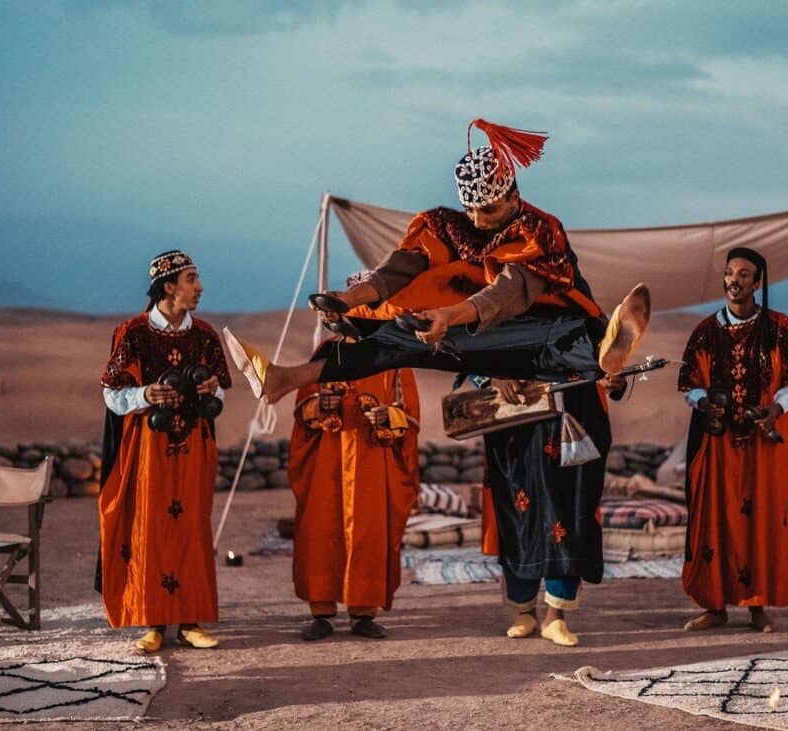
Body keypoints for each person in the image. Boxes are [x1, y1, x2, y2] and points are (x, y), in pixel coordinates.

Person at [222, 118, 650, 402]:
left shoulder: (538, 229)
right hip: (472, 335)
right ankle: (283, 379)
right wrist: (352, 298)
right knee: (392, 337)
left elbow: (510, 291)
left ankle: (604, 353)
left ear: (514, 196)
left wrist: (451, 313)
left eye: (491, 210)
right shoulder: (444, 225)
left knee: (572, 341)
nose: (479, 220)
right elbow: (402, 266)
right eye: (472, 211)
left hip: (534, 326)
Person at [97, 250, 231, 653]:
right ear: (168, 286)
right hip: (148, 449)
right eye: (192, 279)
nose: (200, 287)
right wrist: (143, 393)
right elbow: (110, 392)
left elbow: (221, 388)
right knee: (150, 528)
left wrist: (211, 389)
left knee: (191, 527)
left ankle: (190, 621)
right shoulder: (133, 333)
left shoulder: (205, 335)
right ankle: (153, 623)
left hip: (193, 446)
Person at [677, 247, 788, 634]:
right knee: (714, 521)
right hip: (718, 447)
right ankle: (714, 606)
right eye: (730, 273)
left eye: (744, 274)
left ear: (757, 282)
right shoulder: (705, 331)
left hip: (761, 447)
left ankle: (757, 606)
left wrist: (774, 410)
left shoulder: (778, 328)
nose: (735, 280)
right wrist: (705, 402)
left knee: (762, 521)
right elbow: (689, 385)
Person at [289, 274, 421, 641]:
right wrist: (319, 404)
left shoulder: (394, 356)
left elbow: (408, 413)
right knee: (321, 530)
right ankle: (321, 610)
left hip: (371, 460)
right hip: (327, 462)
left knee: (368, 533)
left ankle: (364, 611)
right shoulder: (326, 354)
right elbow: (302, 406)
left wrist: (389, 417)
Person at [477, 374, 624, 647]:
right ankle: (524, 611)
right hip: (517, 421)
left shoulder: (583, 329)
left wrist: (614, 378)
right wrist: (493, 380)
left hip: (574, 416)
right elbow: (470, 353)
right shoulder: (492, 328)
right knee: (518, 513)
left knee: (570, 512)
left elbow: (607, 353)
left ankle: (555, 616)